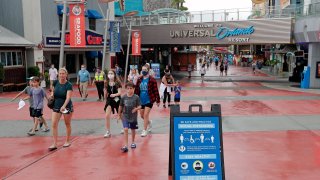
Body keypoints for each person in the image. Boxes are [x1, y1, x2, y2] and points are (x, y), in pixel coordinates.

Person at [49, 68, 73, 151]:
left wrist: (64, 106)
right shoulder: (55, 83)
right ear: (58, 74)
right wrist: (52, 95)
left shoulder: (69, 85)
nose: (62, 75)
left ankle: (67, 141)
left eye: (63, 73)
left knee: (67, 124)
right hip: (56, 105)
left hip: (66, 106)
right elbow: (53, 91)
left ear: (66, 75)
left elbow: (68, 97)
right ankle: (54, 143)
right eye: (60, 73)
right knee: (54, 124)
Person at [135, 65, 160, 137]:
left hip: (149, 100)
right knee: (142, 115)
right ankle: (149, 122)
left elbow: (156, 91)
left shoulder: (152, 80)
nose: (143, 71)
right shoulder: (139, 79)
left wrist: (158, 100)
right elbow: (136, 90)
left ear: (148, 70)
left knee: (146, 115)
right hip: (141, 100)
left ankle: (144, 130)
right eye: (142, 69)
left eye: (145, 69)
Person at [118, 82, 141, 153]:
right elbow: (120, 106)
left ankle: (133, 142)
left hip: (133, 117)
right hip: (125, 116)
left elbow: (140, 106)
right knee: (125, 129)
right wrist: (119, 115)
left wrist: (136, 109)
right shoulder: (123, 97)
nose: (129, 90)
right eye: (128, 88)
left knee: (133, 129)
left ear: (134, 89)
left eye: (131, 88)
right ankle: (125, 145)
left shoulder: (136, 97)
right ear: (126, 89)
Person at [103, 70, 122, 138]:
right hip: (110, 99)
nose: (110, 75)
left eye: (111, 73)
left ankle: (124, 127)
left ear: (114, 74)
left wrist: (114, 95)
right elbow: (105, 92)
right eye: (109, 73)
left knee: (120, 114)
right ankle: (108, 131)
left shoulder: (117, 82)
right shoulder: (106, 82)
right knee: (107, 115)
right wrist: (105, 98)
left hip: (116, 98)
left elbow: (119, 93)